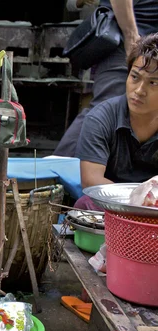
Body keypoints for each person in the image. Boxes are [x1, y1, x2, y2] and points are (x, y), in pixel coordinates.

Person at [54, 0, 158, 157]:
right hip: (132, 41)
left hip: (147, 45)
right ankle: (58, 166)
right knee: (104, 109)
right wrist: (131, 36)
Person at [74, 33, 158, 210]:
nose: (139, 90)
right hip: (111, 205)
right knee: (85, 204)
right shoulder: (101, 118)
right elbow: (91, 180)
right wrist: (139, 201)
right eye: (135, 77)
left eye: (153, 83)